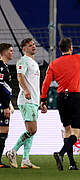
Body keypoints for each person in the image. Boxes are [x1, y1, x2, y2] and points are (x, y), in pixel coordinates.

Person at [40, 25, 80, 171]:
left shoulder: (54, 64)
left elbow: (46, 83)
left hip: (61, 98)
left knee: (67, 131)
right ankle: (60, 153)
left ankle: (72, 164)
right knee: (77, 134)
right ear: (71, 48)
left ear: (60, 49)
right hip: (74, 97)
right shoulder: (77, 58)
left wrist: (43, 100)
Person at [6, 38, 40, 169]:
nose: (33, 47)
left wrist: (40, 101)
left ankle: (25, 159)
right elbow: (19, 76)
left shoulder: (33, 62)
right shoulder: (23, 61)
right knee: (32, 130)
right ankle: (12, 151)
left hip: (34, 101)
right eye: (30, 45)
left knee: (31, 131)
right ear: (24, 48)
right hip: (27, 100)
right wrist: (26, 90)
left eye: (34, 45)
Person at [0, 43, 14, 168]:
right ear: (4, 52)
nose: (12, 52)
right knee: (3, 132)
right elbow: (1, 87)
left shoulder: (4, 66)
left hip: (3, 103)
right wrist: (5, 106)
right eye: (10, 50)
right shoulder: (1, 67)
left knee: (3, 132)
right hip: (1, 105)